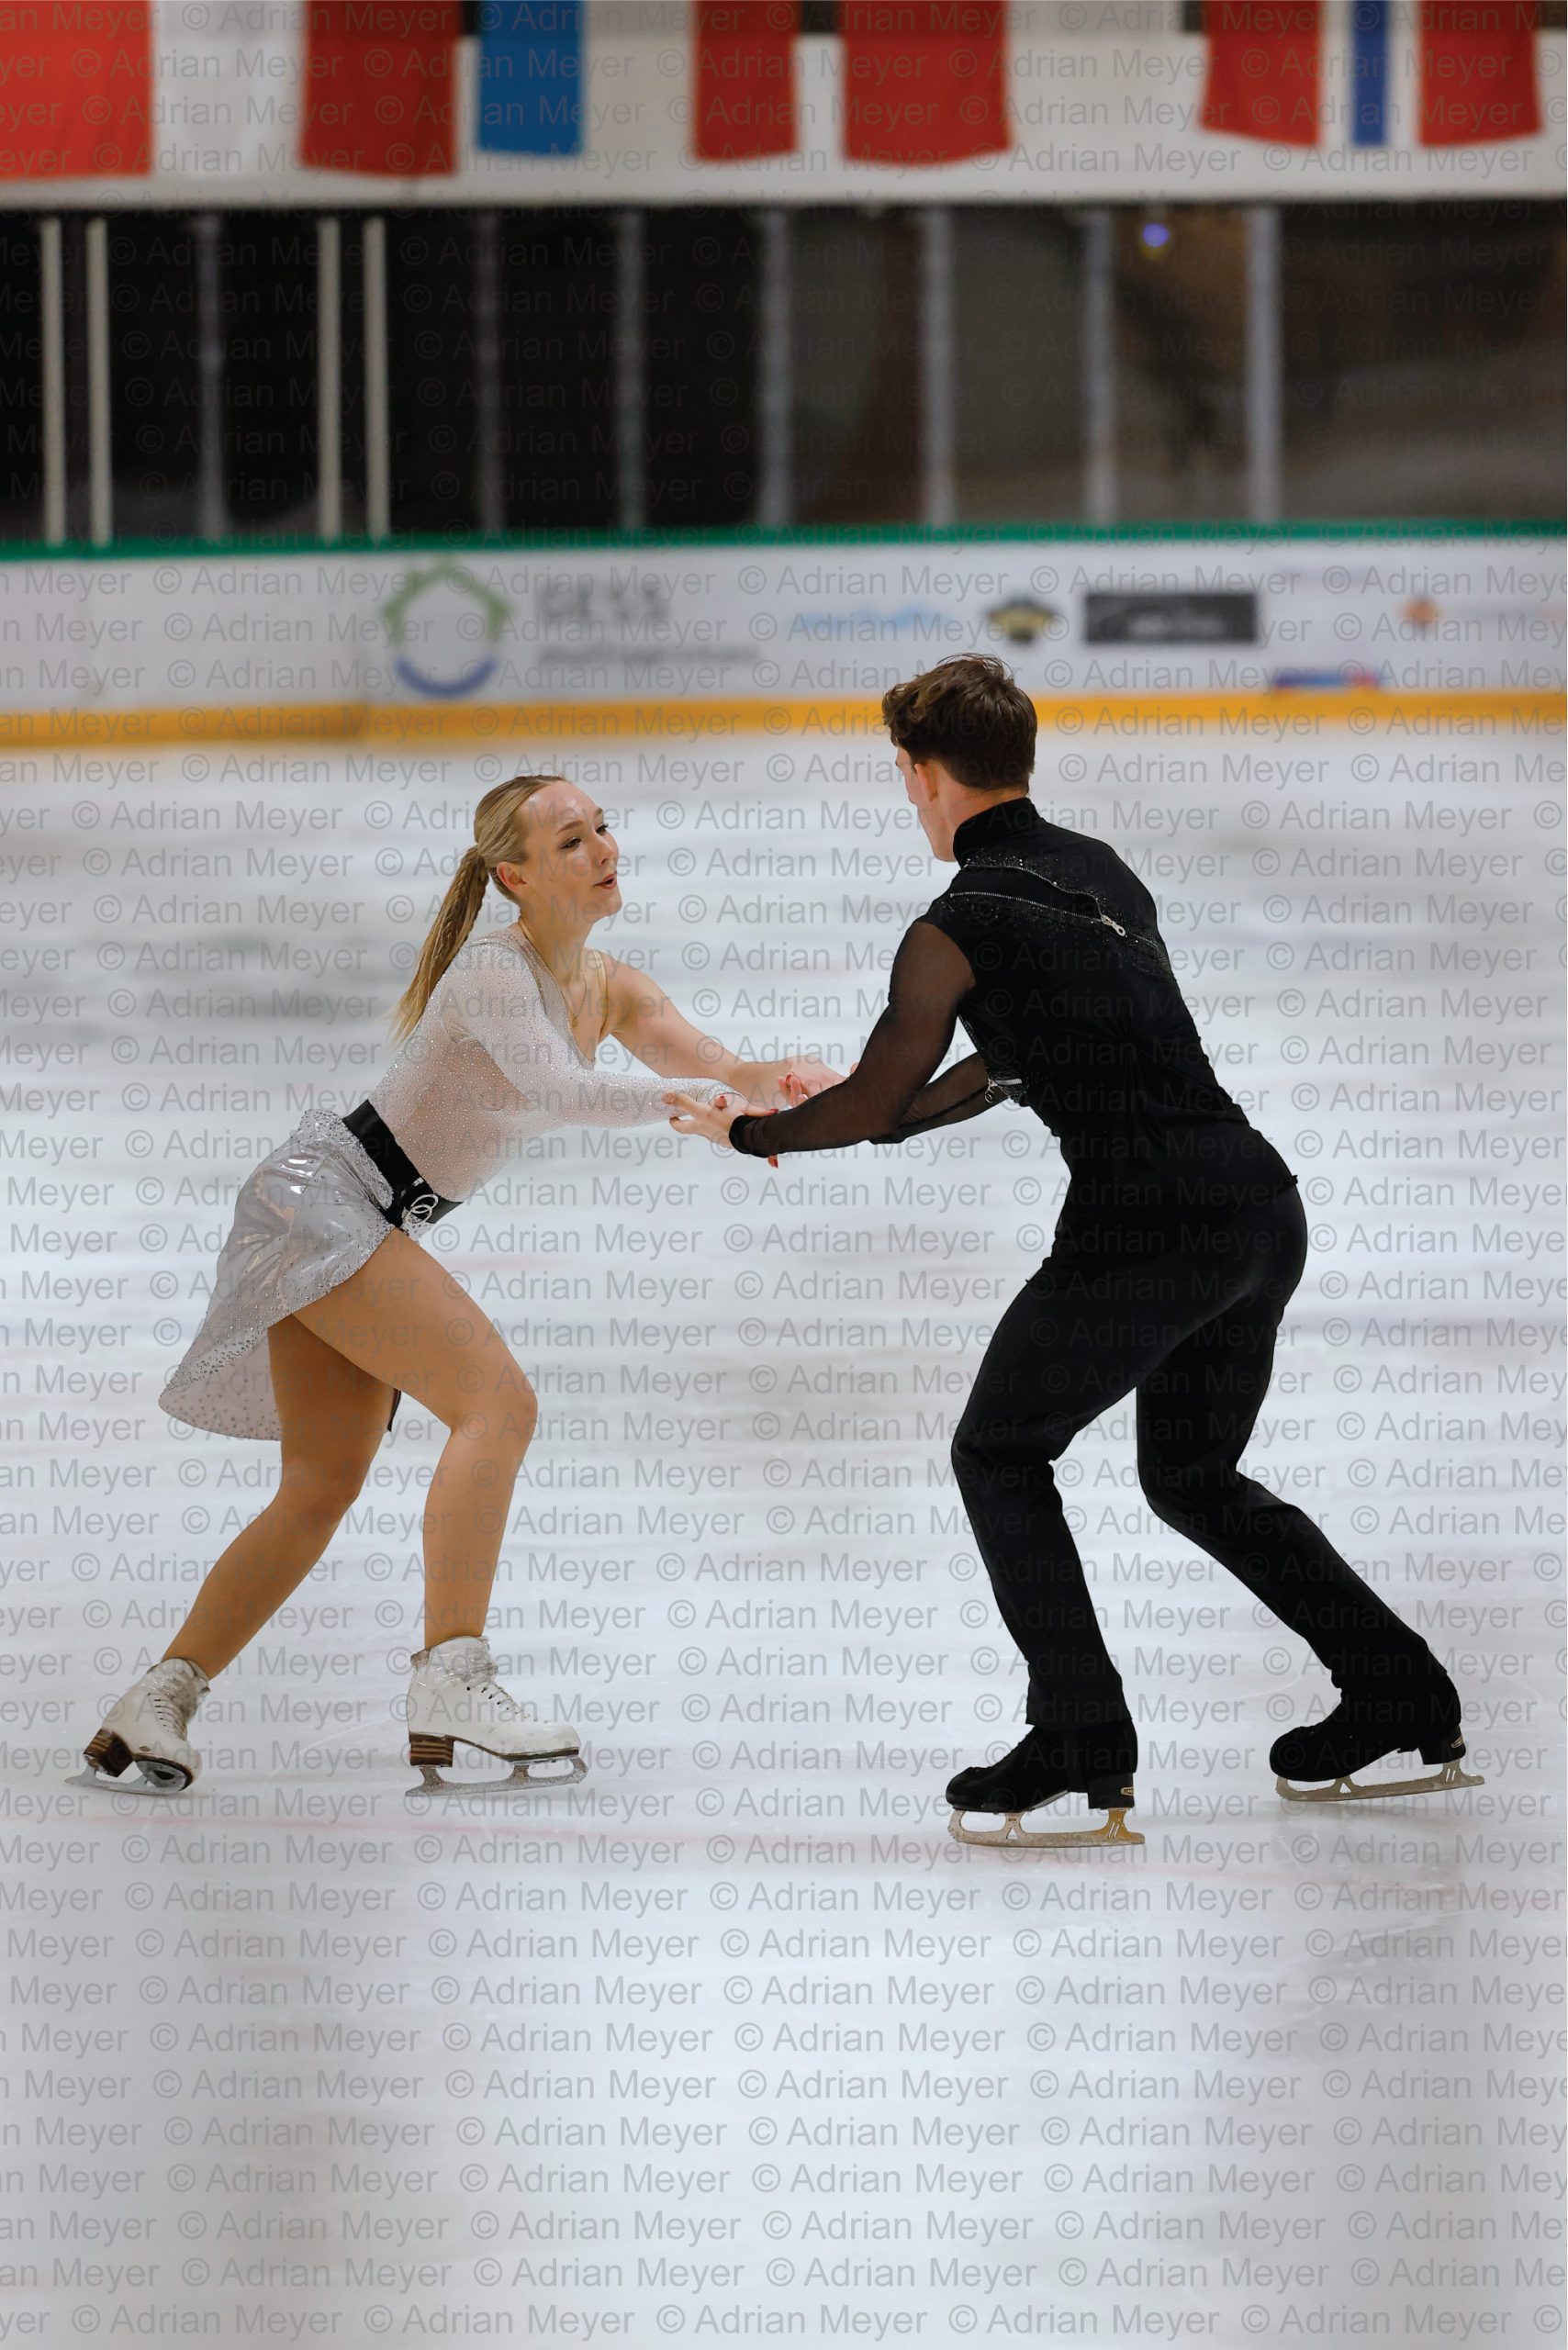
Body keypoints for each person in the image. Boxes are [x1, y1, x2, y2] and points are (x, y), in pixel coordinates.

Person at [668, 655, 1479, 1848]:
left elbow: (890, 1103)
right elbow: (1001, 1069)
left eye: (904, 774)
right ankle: (1400, 1686)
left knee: (998, 1451)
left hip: (1143, 1230)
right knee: (1192, 1478)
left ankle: (1081, 1732)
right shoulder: (1102, 872)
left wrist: (755, 1132)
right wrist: (864, 1101)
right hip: (1256, 1209)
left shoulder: (953, 925)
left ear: (922, 774)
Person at [79, 772, 834, 1797]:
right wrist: (696, 1101)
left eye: (602, 829)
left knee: (320, 1486)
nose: (603, 848)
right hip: (321, 1200)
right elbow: (565, 1091)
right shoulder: (491, 973)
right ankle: (452, 1676)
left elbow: (717, 1063)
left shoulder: (608, 983)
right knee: (497, 1404)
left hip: (350, 1213)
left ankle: (154, 1700)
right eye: (572, 840)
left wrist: (774, 1078)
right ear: (516, 875)